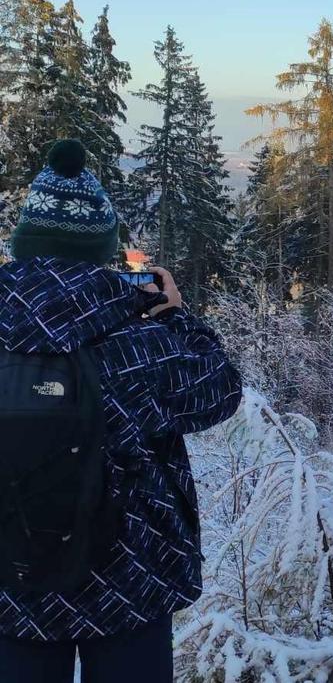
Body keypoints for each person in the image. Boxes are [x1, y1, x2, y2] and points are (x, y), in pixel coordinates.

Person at [0, 139, 242, 682]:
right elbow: (220, 390)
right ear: (101, 250)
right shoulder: (138, 339)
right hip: (127, 579)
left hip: (10, 580)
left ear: (24, 244)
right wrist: (177, 316)